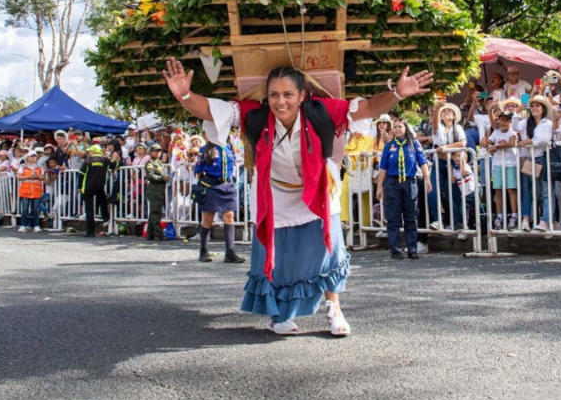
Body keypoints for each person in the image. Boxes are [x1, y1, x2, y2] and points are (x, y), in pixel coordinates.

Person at [162, 57, 432, 336]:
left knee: (329, 251)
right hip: (274, 194)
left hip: (318, 189)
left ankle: (334, 308)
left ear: (302, 95)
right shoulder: (254, 114)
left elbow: (366, 108)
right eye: (274, 95)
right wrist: (183, 94)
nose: (281, 102)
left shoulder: (321, 111)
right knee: (280, 256)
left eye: (289, 94)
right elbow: (208, 109)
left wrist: (398, 93)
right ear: (266, 97)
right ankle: (279, 313)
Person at [375, 120, 431, 259]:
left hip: (409, 182)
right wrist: (379, 186)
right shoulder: (389, 146)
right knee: (393, 218)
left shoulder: (414, 144)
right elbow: (383, 167)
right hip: (393, 183)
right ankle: (395, 250)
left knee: (410, 217)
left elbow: (422, 162)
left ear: (406, 128)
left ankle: (412, 249)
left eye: (400, 126)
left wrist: (427, 178)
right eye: (395, 127)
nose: (397, 129)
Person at [194, 140, 245, 263]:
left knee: (229, 217)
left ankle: (230, 252)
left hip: (226, 184)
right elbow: (199, 170)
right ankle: (203, 251)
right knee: (207, 219)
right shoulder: (205, 149)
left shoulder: (228, 147)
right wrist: (201, 186)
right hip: (210, 184)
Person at [518, 96, 554, 232]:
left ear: (543, 108)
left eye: (537, 106)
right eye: (532, 106)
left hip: (542, 158)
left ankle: (545, 220)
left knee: (545, 191)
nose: (534, 108)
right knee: (528, 190)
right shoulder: (527, 122)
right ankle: (526, 219)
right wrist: (517, 112)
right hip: (529, 159)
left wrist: (529, 141)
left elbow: (544, 140)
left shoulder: (547, 123)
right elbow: (515, 126)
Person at [432, 101, 468, 234]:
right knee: (433, 191)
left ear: (453, 116)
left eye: (449, 111)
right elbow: (435, 124)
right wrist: (437, 109)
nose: (446, 113)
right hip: (439, 162)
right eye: (444, 112)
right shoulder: (438, 127)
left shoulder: (457, 128)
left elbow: (463, 142)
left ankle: (458, 222)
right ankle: (438, 220)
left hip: (452, 162)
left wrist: (445, 148)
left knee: (452, 192)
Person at [488, 111, 519, 229]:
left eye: (506, 120)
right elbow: (489, 141)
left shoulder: (512, 133)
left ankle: (514, 215)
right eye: (502, 120)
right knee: (498, 191)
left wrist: (497, 146)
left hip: (510, 164)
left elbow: (511, 143)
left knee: (511, 190)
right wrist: (486, 141)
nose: (504, 122)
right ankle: (499, 216)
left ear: (510, 122)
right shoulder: (496, 132)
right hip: (497, 164)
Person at [80, 144, 111, 237]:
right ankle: (106, 218)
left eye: (90, 151)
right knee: (103, 201)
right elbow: (115, 164)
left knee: (89, 210)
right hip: (100, 186)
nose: (89, 152)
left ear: (94, 151)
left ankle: (90, 232)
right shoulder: (105, 160)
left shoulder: (87, 161)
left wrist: (79, 187)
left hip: (88, 187)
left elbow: (81, 174)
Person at [144, 143, 168, 241]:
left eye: (159, 151)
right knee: (156, 213)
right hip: (154, 190)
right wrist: (163, 177)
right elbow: (150, 176)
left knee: (153, 213)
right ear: (151, 152)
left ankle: (150, 234)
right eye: (155, 151)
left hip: (159, 190)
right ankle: (159, 234)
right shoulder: (150, 163)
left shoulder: (159, 162)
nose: (158, 153)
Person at [16, 150, 44, 233]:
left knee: (35, 209)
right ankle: (23, 226)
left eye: (34, 156)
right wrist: (29, 176)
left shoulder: (40, 166)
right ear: (28, 158)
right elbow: (18, 177)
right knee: (25, 209)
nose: (33, 158)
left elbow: (43, 177)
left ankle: (36, 226)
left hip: (36, 190)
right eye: (32, 156)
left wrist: (37, 176)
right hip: (25, 190)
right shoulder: (23, 166)